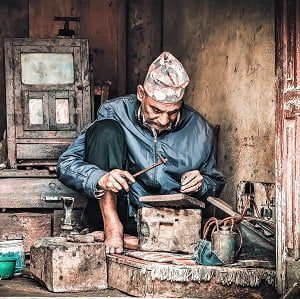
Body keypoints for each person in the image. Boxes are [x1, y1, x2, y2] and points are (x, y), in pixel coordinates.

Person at [57, 52, 225, 254]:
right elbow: (66, 164)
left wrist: (201, 184)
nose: (164, 120)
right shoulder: (114, 111)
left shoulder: (199, 129)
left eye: (172, 112)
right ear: (140, 94)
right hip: (121, 210)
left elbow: (215, 182)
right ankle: (112, 229)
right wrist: (101, 178)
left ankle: (135, 241)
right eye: (156, 110)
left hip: (166, 222)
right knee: (105, 130)